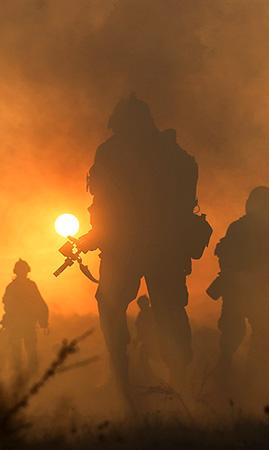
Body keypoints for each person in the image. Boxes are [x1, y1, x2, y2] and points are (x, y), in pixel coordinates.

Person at [76, 94, 206, 394]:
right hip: (158, 247)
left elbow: (105, 203)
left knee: (125, 307)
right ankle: (163, 376)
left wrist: (98, 236)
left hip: (132, 248)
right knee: (166, 309)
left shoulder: (112, 153)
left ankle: (129, 375)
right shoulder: (171, 154)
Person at [211, 186, 269, 372]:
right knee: (235, 334)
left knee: (260, 331)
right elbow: (225, 257)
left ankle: (250, 374)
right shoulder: (245, 229)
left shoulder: (265, 231)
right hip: (239, 291)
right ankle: (230, 373)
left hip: (255, 292)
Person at [1, 259, 49, 374]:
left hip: (27, 323)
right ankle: (18, 373)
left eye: (24, 270)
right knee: (17, 349)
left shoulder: (27, 286)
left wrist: (44, 322)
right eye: (21, 270)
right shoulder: (13, 287)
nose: (23, 273)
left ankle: (31, 373)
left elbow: (39, 303)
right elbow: (7, 305)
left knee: (30, 349)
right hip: (17, 323)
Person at [133, 295, 161, 382]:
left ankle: (150, 377)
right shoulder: (145, 314)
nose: (141, 306)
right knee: (143, 357)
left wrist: (138, 340)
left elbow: (143, 330)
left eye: (142, 304)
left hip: (155, 342)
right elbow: (140, 330)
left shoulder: (150, 313)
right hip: (150, 342)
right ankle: (149, 376)